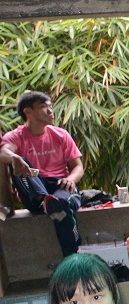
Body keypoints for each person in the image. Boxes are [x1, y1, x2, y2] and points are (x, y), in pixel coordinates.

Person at [2, 90, 83, 256]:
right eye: (43, 107)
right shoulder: (16, 136)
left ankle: (71, 256)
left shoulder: (61, 134)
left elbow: (78, 167)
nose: (50, 111)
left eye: (50, 106)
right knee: (19, 161)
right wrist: (15, 158)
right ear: (28, 112)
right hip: (34, 190)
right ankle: (44, 199)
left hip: (60, 185)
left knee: (62, 204)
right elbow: (3, 152)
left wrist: (71, 179)